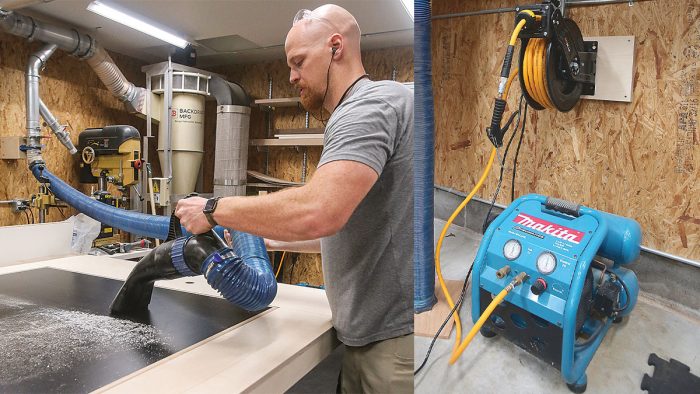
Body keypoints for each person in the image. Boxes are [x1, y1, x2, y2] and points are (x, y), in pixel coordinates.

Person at [175, 4, 413, 392]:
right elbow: (355, 227)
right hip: (374, 337)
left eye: (299, 62)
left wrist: (214, 210)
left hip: (389, 345)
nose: (291, 76)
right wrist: (271, 239)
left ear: (336, 48)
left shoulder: (365, 108)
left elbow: (320, 211)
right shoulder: (376, 106)